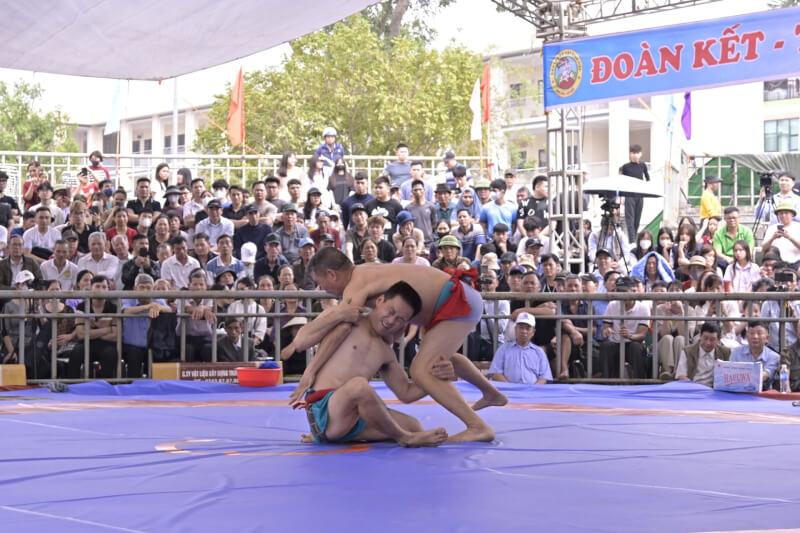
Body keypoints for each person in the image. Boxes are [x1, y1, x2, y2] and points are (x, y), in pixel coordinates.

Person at [296, 248, 508, 442]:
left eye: (322, 284)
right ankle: (490, 393)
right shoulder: (367, 271)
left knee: (421, 370)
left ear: (332, 274)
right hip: (455, 297)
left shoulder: (354, 287)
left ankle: (477, 426)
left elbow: (340, 329)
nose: (324, 291)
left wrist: (309, 372)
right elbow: (404, 390)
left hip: (454, 300)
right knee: (435, 366)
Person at [286, 282, 450, 446]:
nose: (391, 321)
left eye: (400, 319)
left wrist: (437, 377)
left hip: (351, 419)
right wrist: (309, 372)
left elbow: (406, 393)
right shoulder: (348, 319)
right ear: (379, 300)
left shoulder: (386, 352)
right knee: (359, 386)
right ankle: (405, 438)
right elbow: (301, 341)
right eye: (391, 311)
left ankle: (327, 436)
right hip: (324, 409)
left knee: (414, 426)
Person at [66, 275, 119, 379]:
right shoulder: (81, 306)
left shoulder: (114, 308)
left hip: (107, 344)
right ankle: (73, 387)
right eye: (97, 286)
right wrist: (107, 329)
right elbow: (81, 335)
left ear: (108, 289)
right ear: (91, 288)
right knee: (76, 353)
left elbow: (115, 336)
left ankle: (106, 388)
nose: (101, 290)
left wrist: (91, 332)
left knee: (110, 354)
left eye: (104, 287)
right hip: (86, 344)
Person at [122, 274, 172, 377]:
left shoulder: (157, 300)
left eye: (148, 287)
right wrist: (148, 306)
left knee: (160, 355)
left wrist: (158, 307)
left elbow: (169, 310)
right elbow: (126, 311)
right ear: (135, 289)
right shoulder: (128, 299)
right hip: (132, 345)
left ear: (153, 289)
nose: (145, 290)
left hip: (153, 344)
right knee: (133, 356)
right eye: (142, 287)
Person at [599, 276, 650, 379]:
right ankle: (606, 382)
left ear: (633, 291)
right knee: (606, 346)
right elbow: (605, 329)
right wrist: (606, 331)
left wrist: (630, 335)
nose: (621, 294)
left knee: (635, 347)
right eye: (618, 290)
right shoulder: (612, 305)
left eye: (624, 291)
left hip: (634, 343)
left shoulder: (643, 308)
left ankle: (638, 381)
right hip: (616, 343)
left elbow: (642, 335)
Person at [488, 312, 552, 385]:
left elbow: (544, 377)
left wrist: (532, 390)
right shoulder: (503, 349)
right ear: (515, 329)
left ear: (533, 332)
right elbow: (496, 374)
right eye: (521, 327)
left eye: (527, 328)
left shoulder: (539, 352)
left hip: (533, 393)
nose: (524, 331)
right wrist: (512, 388)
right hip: (508, 392)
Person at [675, 322, 731, 386]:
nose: (708, 343)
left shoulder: (726, 352)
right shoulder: (687, 351)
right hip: (693, 388)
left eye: (712, 339)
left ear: (719, 340)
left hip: (716, 390)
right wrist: (696, 388)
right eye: (705, 338)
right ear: (700, 336)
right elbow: (681, 376)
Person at [729, 321, 780, 389]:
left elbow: (765, 375)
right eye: (751, 333)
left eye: (759, 333)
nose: (755, 337)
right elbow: (729, 374)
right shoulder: (736, 352)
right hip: (738, 392)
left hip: (763, 394)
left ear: (767, 338)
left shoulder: (774, 357)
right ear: (747, 336)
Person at [619, 144, 650, 240]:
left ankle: (634, 239)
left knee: (637, 219)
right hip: (629, 195)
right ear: (630, 154)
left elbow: (648, 179)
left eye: (637, 153)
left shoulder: (643, 166)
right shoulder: (625, 167)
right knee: (630, 220)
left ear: (640, 154)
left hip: (640, 195)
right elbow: (621, 182)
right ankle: (632, 241)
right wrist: (621, 196)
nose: (635, 155)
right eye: (633, 153)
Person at [761, 201, 800, 269]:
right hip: (777, 264)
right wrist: (773, 238)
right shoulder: (772, 228)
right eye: (781, 213)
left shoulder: (798, 227)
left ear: (792, 214)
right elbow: (764, 248)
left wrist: (790, 238)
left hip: (796, 263)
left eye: (786, 213)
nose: (783, 215)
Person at [405, 180, 437, 246]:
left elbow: (434, 223)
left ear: (424, 190)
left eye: (420, 189)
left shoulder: (431, 206)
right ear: (412, 192)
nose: (418, 192)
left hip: (428, 242)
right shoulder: (408, 208)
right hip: (414, 242)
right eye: (415, 190)